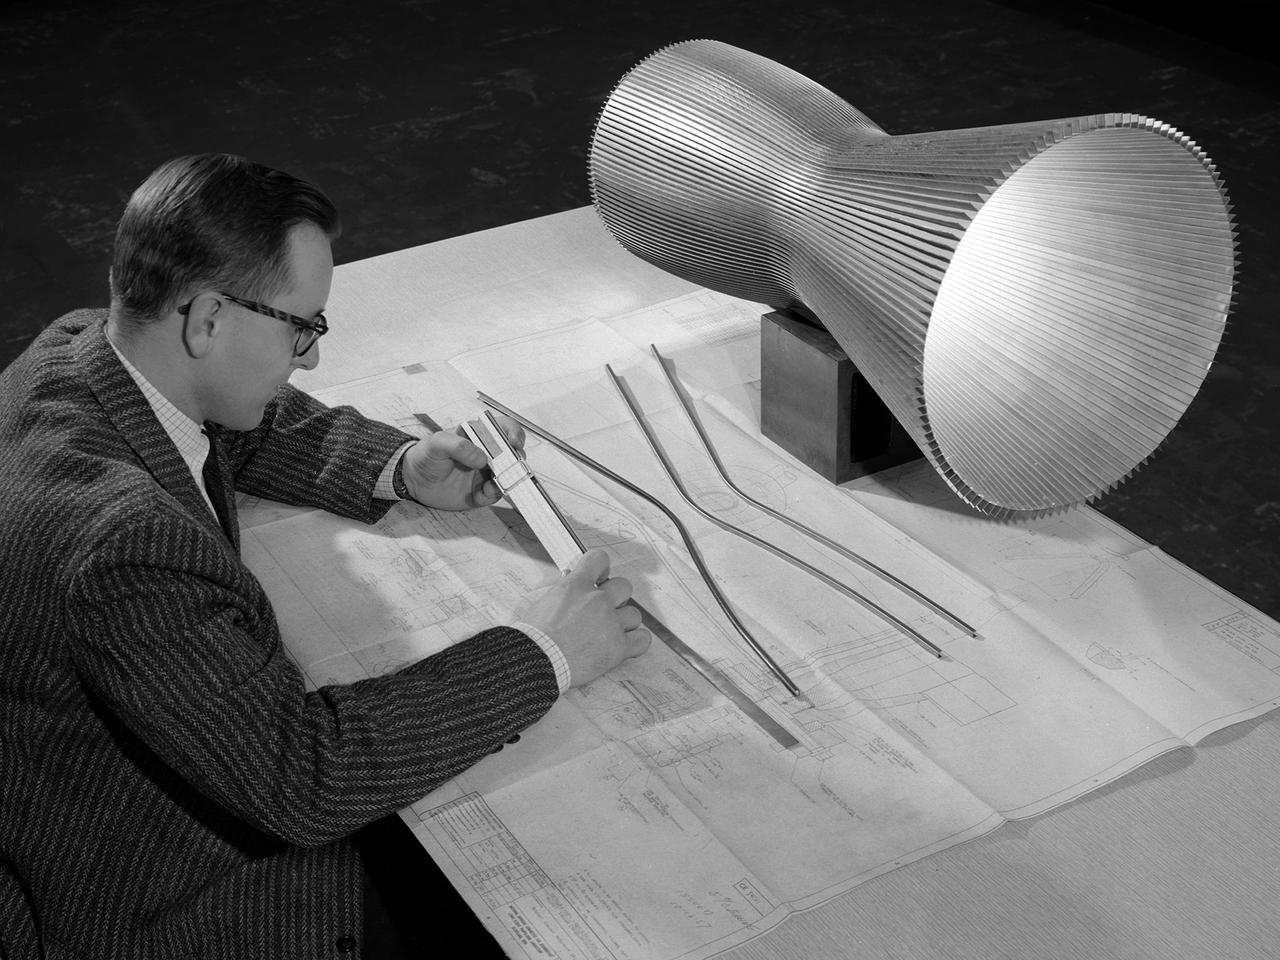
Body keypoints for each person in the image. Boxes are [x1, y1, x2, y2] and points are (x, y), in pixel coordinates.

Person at [0, 153, 651, 959]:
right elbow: (305, 778)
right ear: (207, 318)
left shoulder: (81, 355)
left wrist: (404, 467)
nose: (310, 360)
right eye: (301, 327)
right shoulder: (123, 548)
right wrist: (546, 650)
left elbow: (233, 425)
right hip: (150, 889)